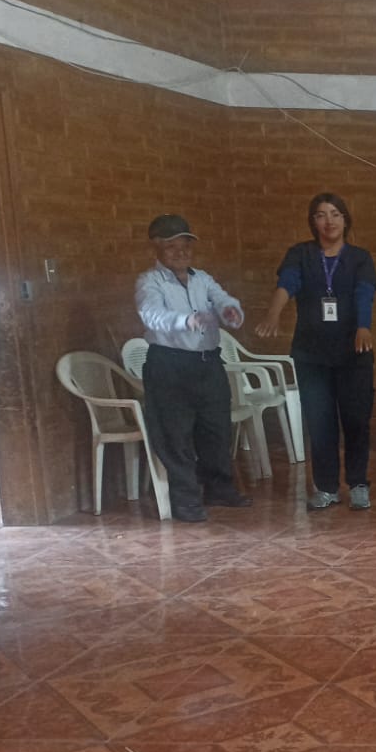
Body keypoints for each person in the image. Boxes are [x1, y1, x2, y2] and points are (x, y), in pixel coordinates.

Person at [258, 193, 376, 511]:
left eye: (336, 214)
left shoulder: (360, 258)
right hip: (311, 355)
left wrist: (363, 326)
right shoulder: (300, 254)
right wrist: (273, 313)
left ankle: (358, 483)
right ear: (313, 222)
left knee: (356, 420)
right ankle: (326, 488)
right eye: (321, 215)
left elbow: (364, 293)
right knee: (320, 422)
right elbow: (287, 283)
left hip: (354, 352)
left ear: (346, 219)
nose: (329, 221)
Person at [134, 214, 251, 524]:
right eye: (172, 246)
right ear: (156, 247)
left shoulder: (203, 279)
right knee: (176, 436)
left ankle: (219, 489)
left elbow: (223, 299)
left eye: (186, 245)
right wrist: (184, 321)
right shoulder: (149, 282)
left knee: (216, 429)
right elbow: (152, 314)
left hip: (207, 363)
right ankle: (185, 501)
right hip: (169, 365)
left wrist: (231, 310)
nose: (181, 252)